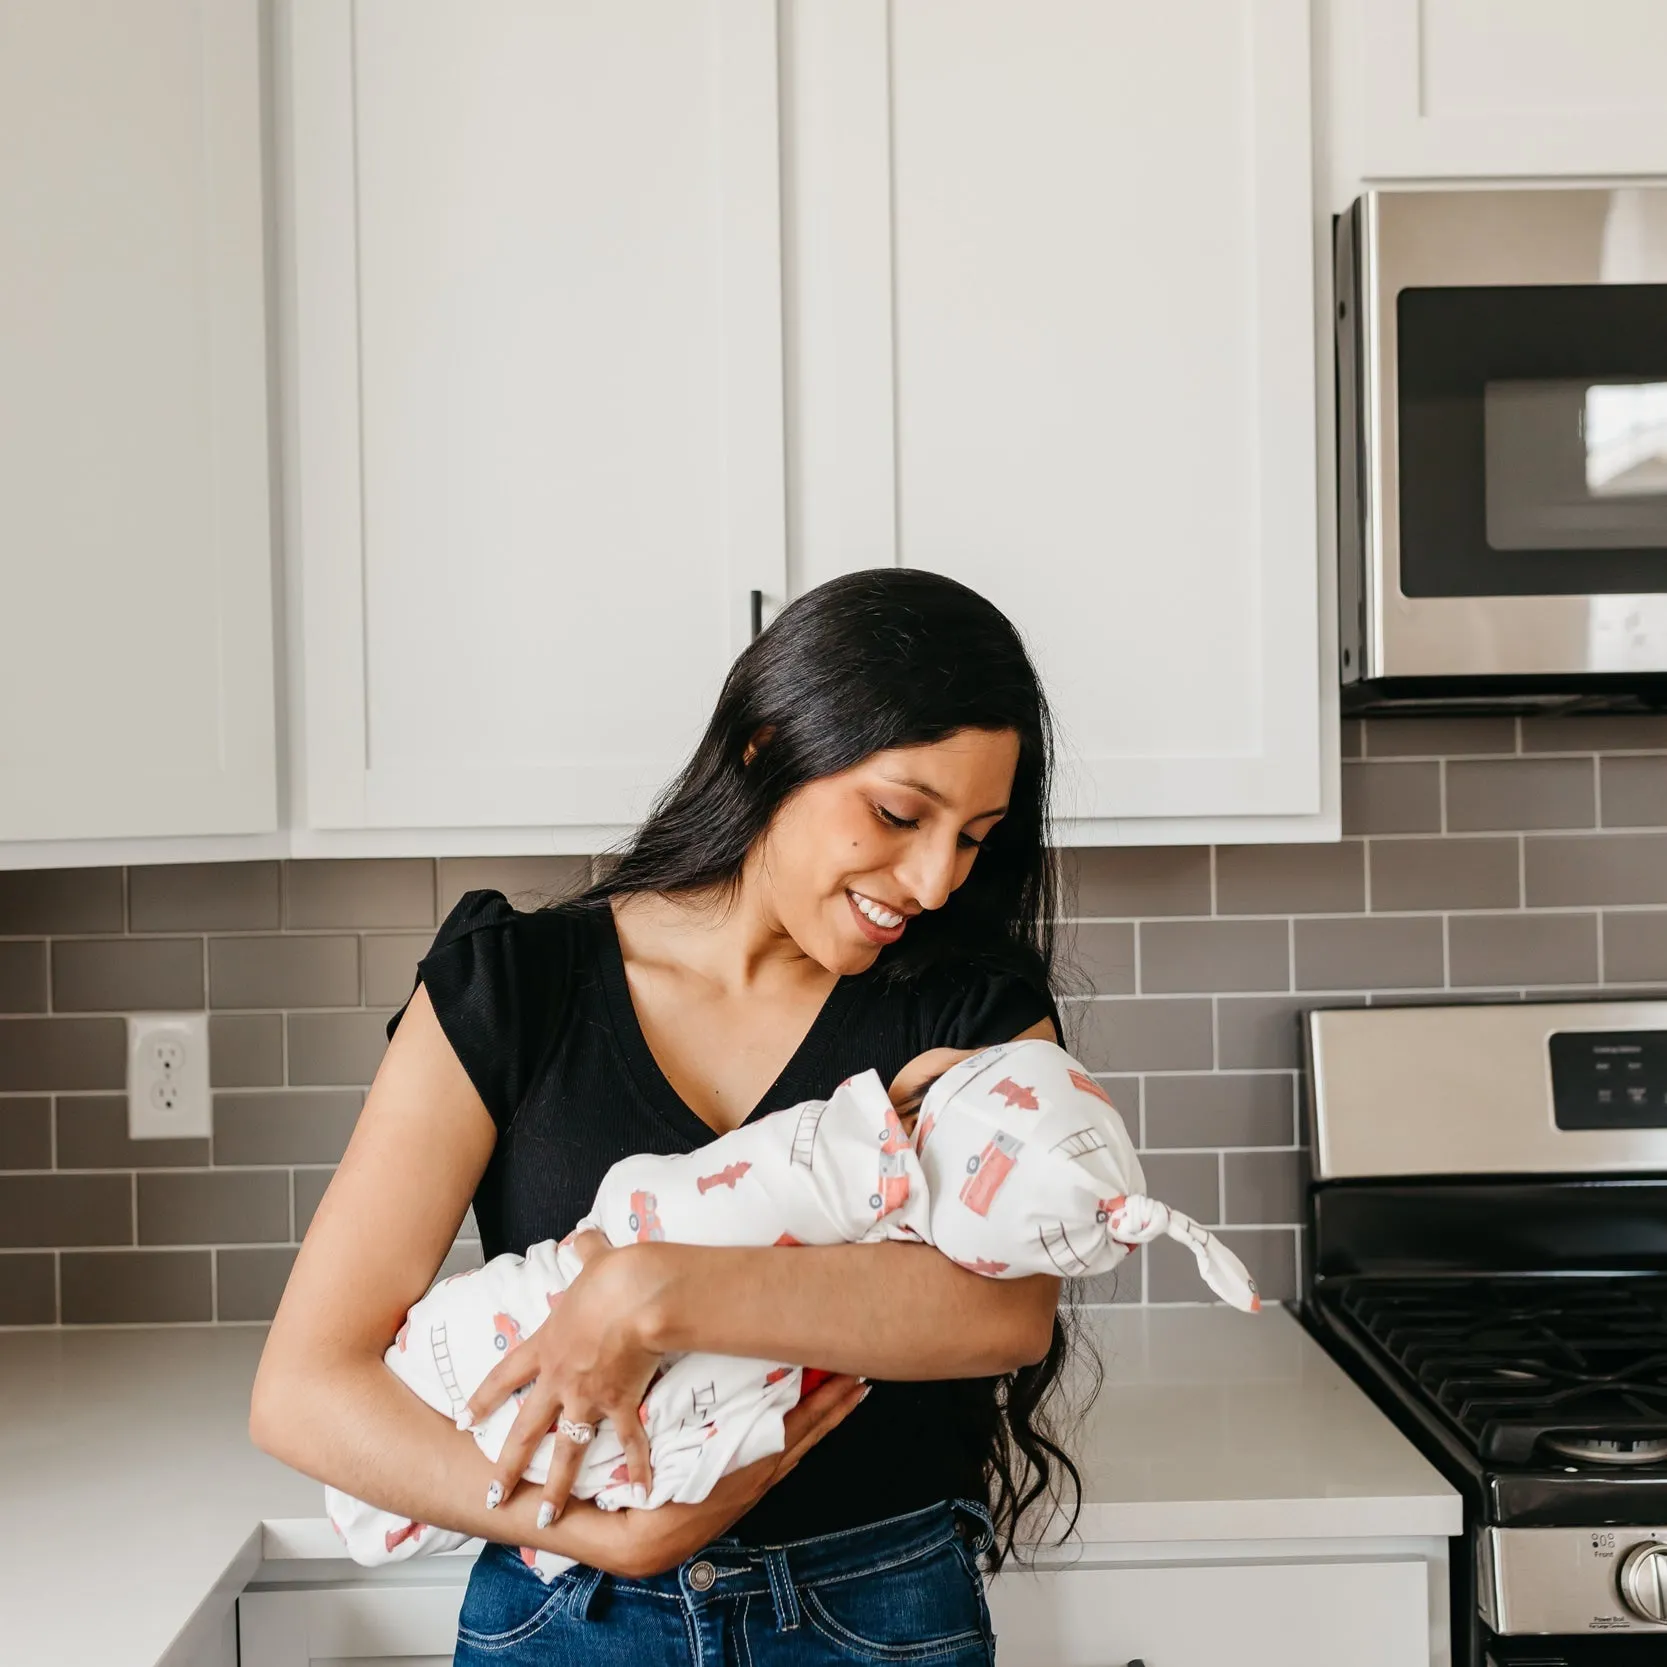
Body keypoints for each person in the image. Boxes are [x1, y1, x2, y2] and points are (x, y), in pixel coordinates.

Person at [251, 568, 1084, 1665]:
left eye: (972, 835)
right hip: (566, 1612)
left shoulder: (965, 1005)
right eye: (896, 812)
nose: (932, 879)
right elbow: (305, 1389)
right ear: (765, 744)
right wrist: (615, 1537)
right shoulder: (514, 985)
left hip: (873, 1612)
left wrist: (651, 1292)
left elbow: (1002, 1312)